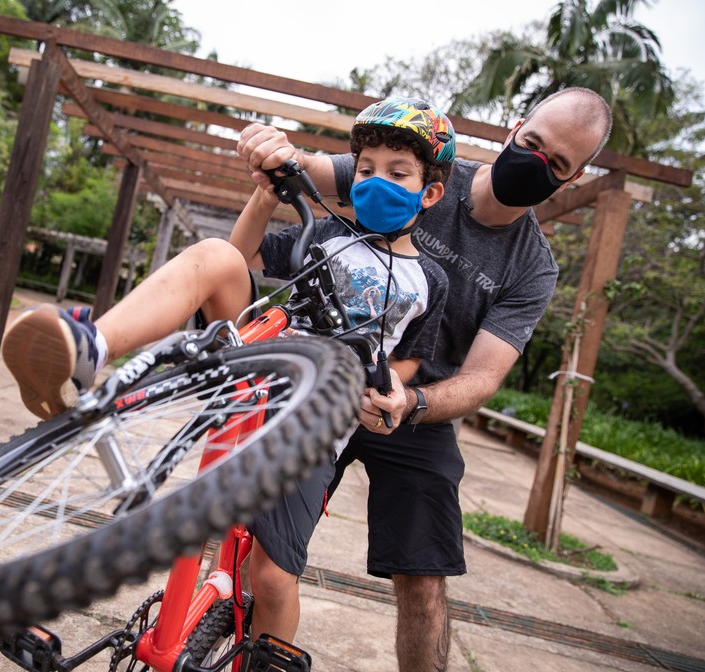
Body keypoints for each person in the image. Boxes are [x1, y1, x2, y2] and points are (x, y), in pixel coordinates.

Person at [0, 97, 458, 649]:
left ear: (429, 193)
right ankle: (91, 350)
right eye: (365, 169)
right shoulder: (326, 236)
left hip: (314, 421)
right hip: (256, 370)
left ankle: (266, 659)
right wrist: (264, 197)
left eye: (397, 172)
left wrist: (387, 397)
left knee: (269, 577)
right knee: (215, 254)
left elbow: (407, 359)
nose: (375, 181)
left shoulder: (430, 280)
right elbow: (240, 256)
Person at [236, 86, 613, 671]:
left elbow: (484, 376)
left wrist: (408, 401)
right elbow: (308, 168)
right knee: (248, 533)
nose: (537, 163)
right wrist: (271, 148)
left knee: (425, 575)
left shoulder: (532, 267)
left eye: (557, 165)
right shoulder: (419, 161)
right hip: (327, 377)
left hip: (415, 403)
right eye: (534, 143)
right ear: (515, 127)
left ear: (577, 176)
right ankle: (217, 634)